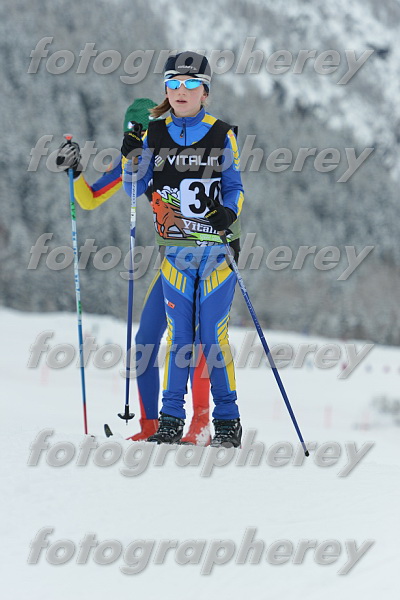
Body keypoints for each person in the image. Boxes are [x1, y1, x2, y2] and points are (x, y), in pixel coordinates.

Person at [56, 98, 211, 445]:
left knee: (193, 340)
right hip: (171, 261)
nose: (137, 141)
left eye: (141, 133)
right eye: (131, 135)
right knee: (145, 343)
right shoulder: (132, 158)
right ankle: (150, 424)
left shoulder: (180, 150)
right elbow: (90, 198)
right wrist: (75, 172)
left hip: (205, 256)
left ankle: (200, 423)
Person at [121, 52, 244, 447]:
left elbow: (234, 187)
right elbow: (134, 188)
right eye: (173, 83)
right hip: (175, 253)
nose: (181, 90)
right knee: (178, 339)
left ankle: (228, 421)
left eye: (191, 84)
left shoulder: (220, 133)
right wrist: (130, 156)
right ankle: (171, 419)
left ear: (205, 92)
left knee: (212, 337)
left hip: (215, 251)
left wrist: (228, 212)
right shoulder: (155, 134)